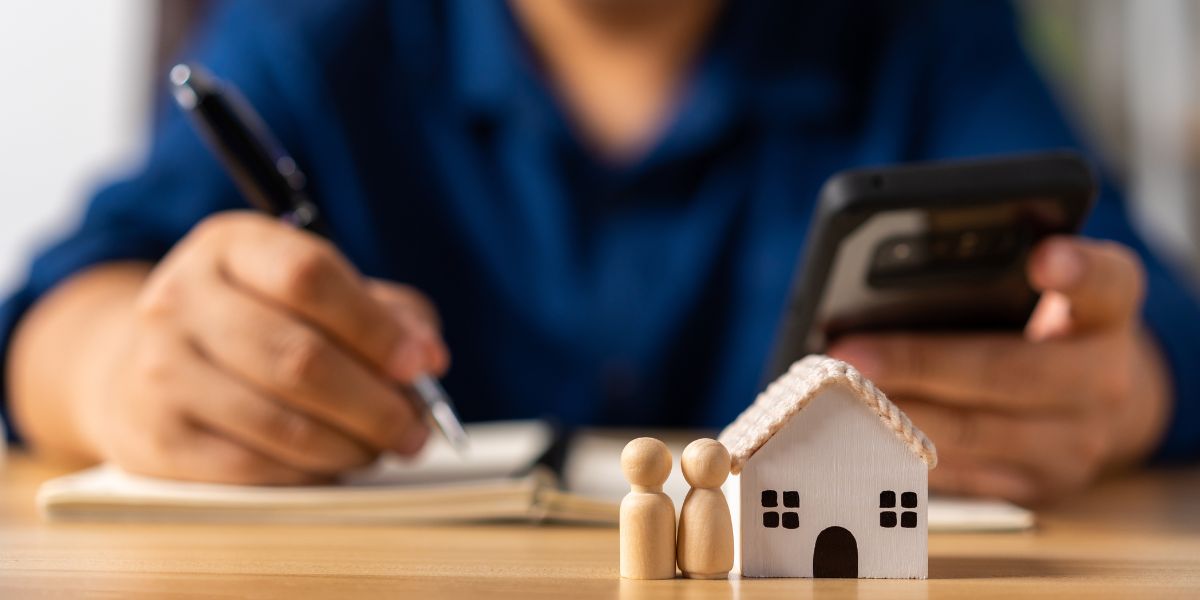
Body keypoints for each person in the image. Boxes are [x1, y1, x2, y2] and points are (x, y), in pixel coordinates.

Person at [2, 0, 1197, 503]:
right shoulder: (320, 33)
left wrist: (1115, 387)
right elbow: (63, 306)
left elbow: (1156, 331)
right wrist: (120, 369)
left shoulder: (930, 34)